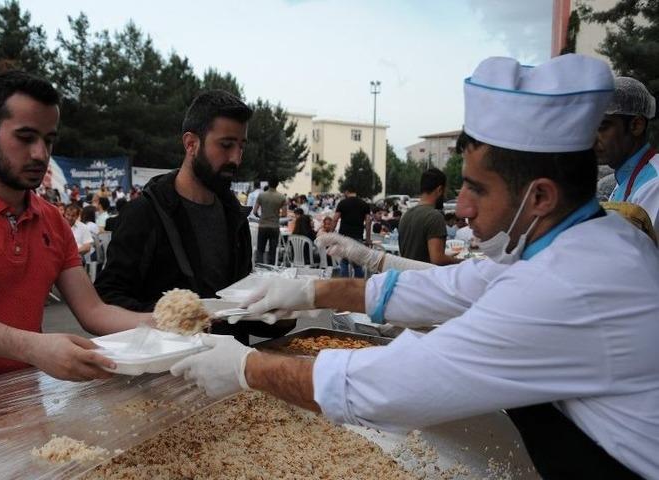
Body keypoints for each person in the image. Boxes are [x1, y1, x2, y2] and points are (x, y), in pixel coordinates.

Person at [172, 54, 659, 479]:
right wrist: (309, 293)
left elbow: (390, 385)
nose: (462, 209)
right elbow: (447, 287)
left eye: (478, 189)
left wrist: (244, 367)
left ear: (540, 197)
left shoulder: (566, 285)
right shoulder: (573, 242)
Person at [0, 70, 150, 399]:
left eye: (48, 140)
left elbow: (93, 311)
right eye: (25, 137)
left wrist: (163, 324)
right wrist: (33, 347)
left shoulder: (53, 220)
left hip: (21, 397)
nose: (40, 154)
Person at [95, 90, 294, 345]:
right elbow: (107, 300)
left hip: (232, 372)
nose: (235, 158)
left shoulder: (235, 217)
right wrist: (178, 316)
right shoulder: (145, 214)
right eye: (226, 145)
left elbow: (237, 311)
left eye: (241, 147)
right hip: (166, 375)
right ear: (191, 144)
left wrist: (281, 315)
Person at [594, 76, 659, 227]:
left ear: (636, 125)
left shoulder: (654, 185)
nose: (593, 138)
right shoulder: (626, 178)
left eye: (603, 126)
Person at [398, 168, 459, 265]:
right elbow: (437, 259)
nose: (445, 195)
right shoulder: (435, 217)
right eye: (444, 191)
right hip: (426, 277)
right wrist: (460, 262)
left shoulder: (406, 215)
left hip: (407, 276)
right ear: (439, 190)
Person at [333, 187, 370, 277]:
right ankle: (358, 285)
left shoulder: (342, 203)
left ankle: (344, 284)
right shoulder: (364, 204)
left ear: (347, 192)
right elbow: (368, 222)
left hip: (344, 237)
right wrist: (368, 239)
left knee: (344, 262)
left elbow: (335, 219)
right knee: (357, 263)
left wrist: (331, 233)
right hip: (358, 236)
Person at [253, 178, 287, 265]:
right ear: (277, 184)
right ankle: (271, 267)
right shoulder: (282, 197)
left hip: (263, 225)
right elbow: (284, 214)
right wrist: (275, 215)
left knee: (260, 249)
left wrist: (261, 216)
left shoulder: (261, 195)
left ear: (268, 184)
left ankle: (260, 267)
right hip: (274, 226)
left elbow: (255, 211)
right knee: (273, 250)